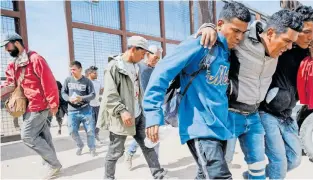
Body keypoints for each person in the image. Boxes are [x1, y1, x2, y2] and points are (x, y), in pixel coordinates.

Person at [143, 2, 250, 179]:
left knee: (204, 174)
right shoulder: (201, 43)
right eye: (235, 30)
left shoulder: (228, 52)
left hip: (221, 126)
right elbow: (162, 71)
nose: (239, 37)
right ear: (221, 24)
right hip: (200, 126)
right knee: (219, 177)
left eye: (243, 32)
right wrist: (153, 114)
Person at [197, 8, 304, 179]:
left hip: (253, 117)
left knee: (258, 168)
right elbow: (224, 31)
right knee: (216, 169)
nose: (290, 47)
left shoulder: (279, 51)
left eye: (292, 42)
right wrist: (208, 27)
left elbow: (305, 44)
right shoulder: (242, 39)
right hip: (228, 116)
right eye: (287, 41)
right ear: (270, 33)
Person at [258, 6, 313, 179]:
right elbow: (257, 34)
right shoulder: (280, 47)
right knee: (279, 163)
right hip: (267, 113)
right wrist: (208, 28)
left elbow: (311, 81)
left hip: (288, 114)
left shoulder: (307, 52)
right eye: (307, 32)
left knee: (294, 160)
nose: (311, 37)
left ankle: (253, 177)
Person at [97, 36, 167, 179]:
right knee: (115, 151)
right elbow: (110, 94)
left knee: (148, 146)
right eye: (142, 54)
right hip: (121, 117)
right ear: (133, 49)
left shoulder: (137, 66)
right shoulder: (114, 67)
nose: (143, 57)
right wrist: (122, 111)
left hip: (138, 114)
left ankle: (159, 175)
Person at [0, 33, 62, 179]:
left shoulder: (35, 59)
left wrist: (53, 103)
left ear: (16, 43)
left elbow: (49, 81)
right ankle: (51, 163)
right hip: (27, 106)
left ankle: (53, 164)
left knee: (27, 135)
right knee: (43, 135)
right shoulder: (14, 64)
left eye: (7, 46)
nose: (6, 50)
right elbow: (10, 84)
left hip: (39, 105)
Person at [125, 45, 163, 169]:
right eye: (155, 57)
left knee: (152, 136)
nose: (156, 60)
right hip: (140, 109)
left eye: (158, 58)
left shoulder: (156, 70)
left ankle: (155, 167)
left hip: (152, 108)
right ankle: (130, 153)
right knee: (146, 136)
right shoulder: (138, 67)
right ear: (147, 54)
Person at [62, 61, 96, 157]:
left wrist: (82, 98)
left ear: (80, 69)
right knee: (72, 131)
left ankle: (92, 148)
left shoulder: (87, 81)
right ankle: (80, 145)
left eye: (74, 69)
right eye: (71, 69)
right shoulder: (68, 80)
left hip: (86, 110)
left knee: (90, 131)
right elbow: (63, 93)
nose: (72, 71)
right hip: (72, 110)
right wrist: (68, 98)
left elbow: (93, 95)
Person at [85, 66, 104, 142]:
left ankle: (96, 134)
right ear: (89, 73)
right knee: (91, 123)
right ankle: (91, 139)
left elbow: (102, 90)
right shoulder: (86, 82)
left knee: (98, 122)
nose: (97, 74)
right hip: (89, 106)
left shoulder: (98, 82)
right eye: (95, 73)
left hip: (97, 105)